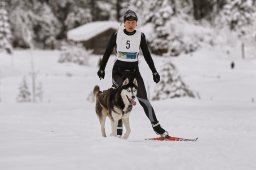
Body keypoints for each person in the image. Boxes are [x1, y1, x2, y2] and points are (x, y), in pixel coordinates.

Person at [97, 10, 169, 137]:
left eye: (133, 22)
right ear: (124, 23)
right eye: (128, 22)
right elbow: (108, 51)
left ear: (136, 24)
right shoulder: (116, 34)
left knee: (143, 99)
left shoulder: (140, 36)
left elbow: (147, 55)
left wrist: (154, 71)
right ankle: (118, 131)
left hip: (134, 73)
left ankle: (157, 128)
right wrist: (102, 68)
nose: (131, 24)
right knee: (119, 99)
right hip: (118, 72)